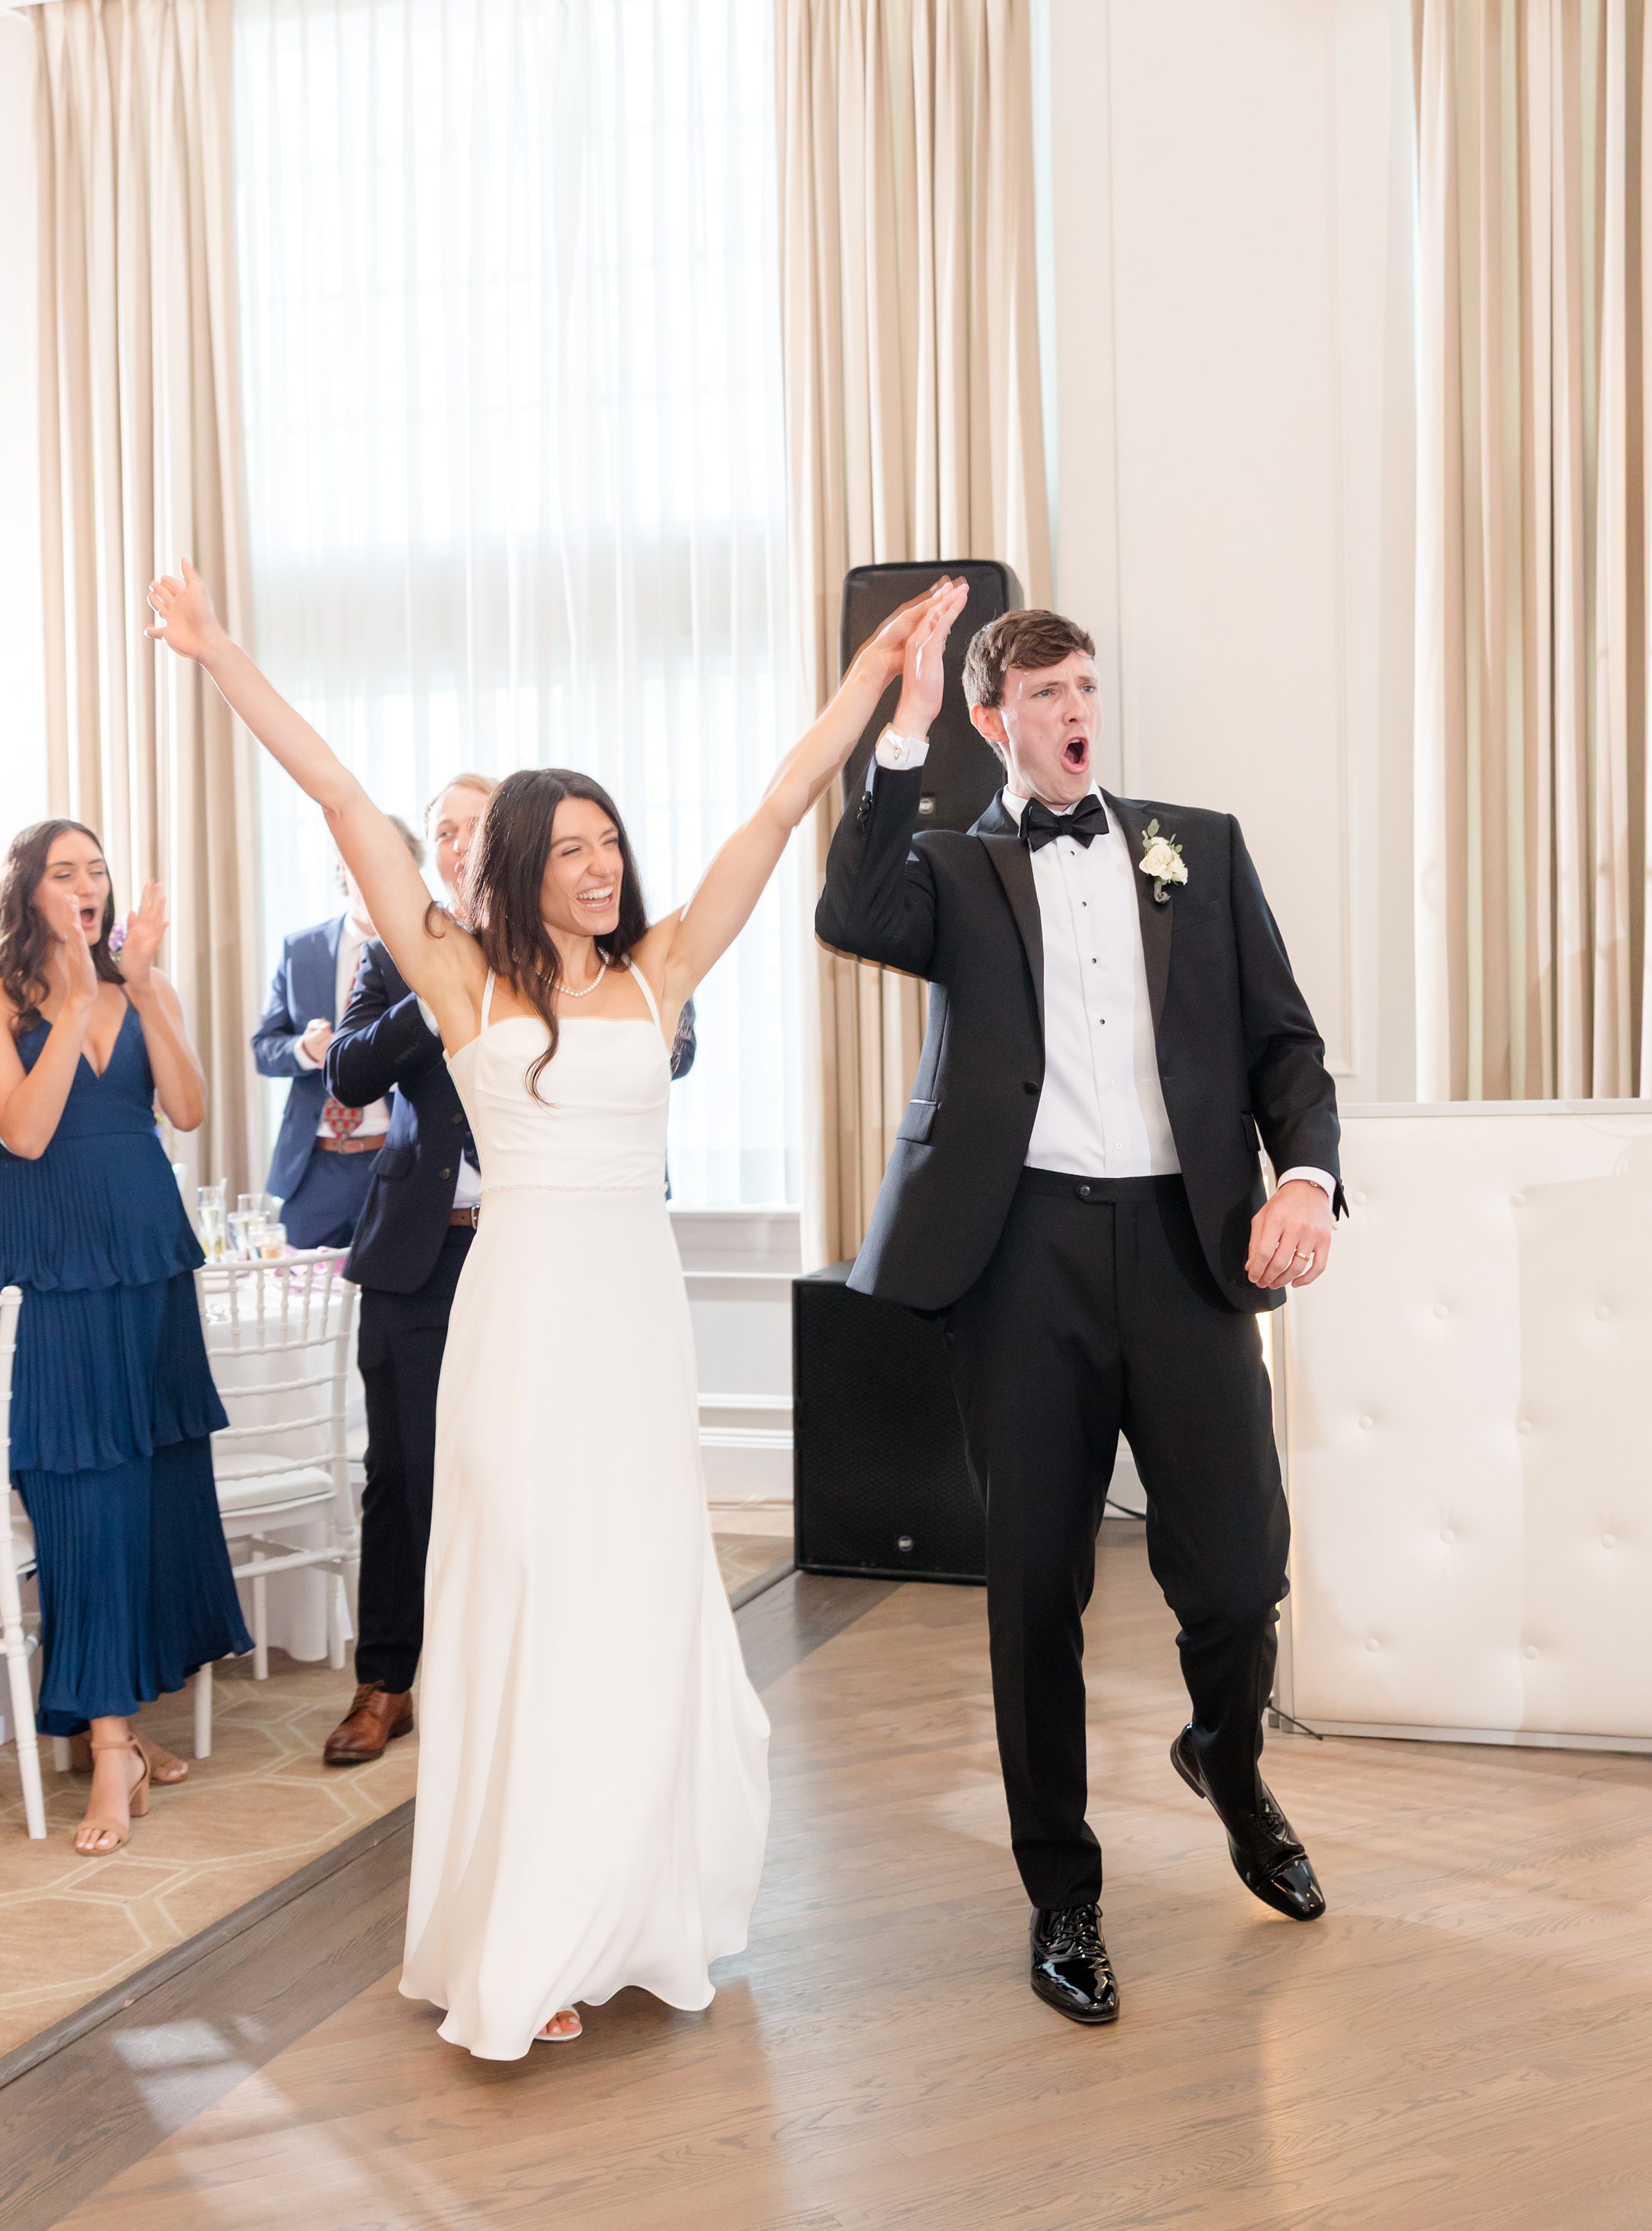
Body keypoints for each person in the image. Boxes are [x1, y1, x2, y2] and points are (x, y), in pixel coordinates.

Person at [145, 553, 959, 2059]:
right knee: (531, 1604)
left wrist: (883, 686)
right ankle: (534, 1934)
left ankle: (630, 1909)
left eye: (610, 844)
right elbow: (339, 800)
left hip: (632, 1320)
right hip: (519, 1326)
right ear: (516, 861)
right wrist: (220, 655)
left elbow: (776, 808)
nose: (601, 866)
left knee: (634, 1608)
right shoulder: (459, 981)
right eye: (572, 846)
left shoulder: (659, 972)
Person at [816, 605, 1344, 2029]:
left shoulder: (1198, 847)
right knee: (1036, 1586)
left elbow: (1286, 1046)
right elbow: (850, 913)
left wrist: (1303, 1176)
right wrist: (903, 723)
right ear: (1000, 720)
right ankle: (1064, 1893)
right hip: (1021, 1255)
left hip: (1187, 1246)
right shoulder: (953, 865)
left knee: (1239, 1573)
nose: (1074, 709)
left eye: (1087, 687)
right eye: (1045, 692)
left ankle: (1226, 1764)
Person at [317, 770, 701, 1770]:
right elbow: (351, 1073)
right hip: (425, 1244)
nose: (453, 842)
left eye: (471, 828)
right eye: (440, 828)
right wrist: (454, 973)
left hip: (570, 1255)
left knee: (540, 1485)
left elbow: (676, 1043)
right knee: (406, 1472)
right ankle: (390, 1679)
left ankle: (531, 1686)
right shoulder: (420, 957)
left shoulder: (607, 957)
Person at [0, 821, 251, 1854]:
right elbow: (25, 1132)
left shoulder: (145, 987)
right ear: (28, 893)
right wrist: (75, 1000)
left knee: (150, 1496)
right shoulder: (9, 1005)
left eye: (95, 870)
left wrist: (139, 987)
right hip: (65, 1280)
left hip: (154, 1268)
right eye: (65, 873)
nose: (87, 886)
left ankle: (125, 1733)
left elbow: (187, 1110)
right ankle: (109, 1751)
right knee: (81, 1499)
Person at [250, 822, 424, 1251]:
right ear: (341, 868)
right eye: (357, 860)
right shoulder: (301, 950)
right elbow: (264, 1049)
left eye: (385, 862)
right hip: (313, 1167)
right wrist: (304, 1051)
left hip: (395, 1158)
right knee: (300, 1307)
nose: (369, 874)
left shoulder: (424, 952)